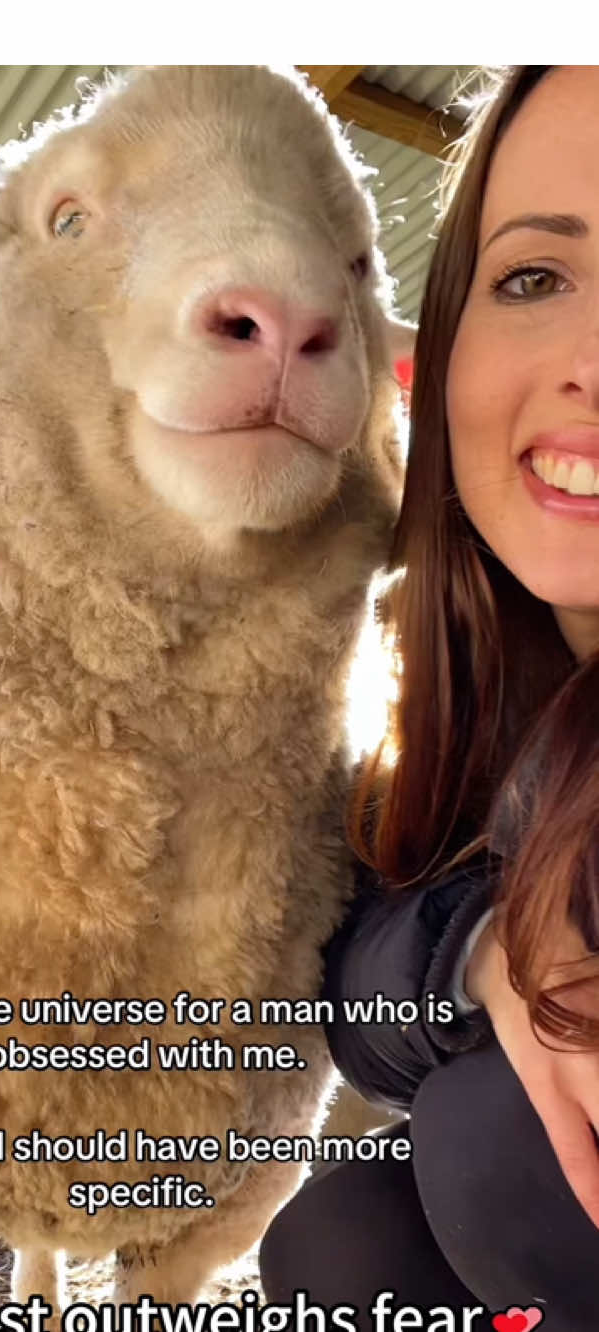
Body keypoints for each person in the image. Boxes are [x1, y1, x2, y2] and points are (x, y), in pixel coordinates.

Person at [259, 65, 599, 1330]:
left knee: (494, 1141)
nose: (592, 363)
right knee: (350, 1234)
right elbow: (366, 986)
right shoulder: (473, 700)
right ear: (442, 358)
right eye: (534, 278)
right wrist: (492, 945)